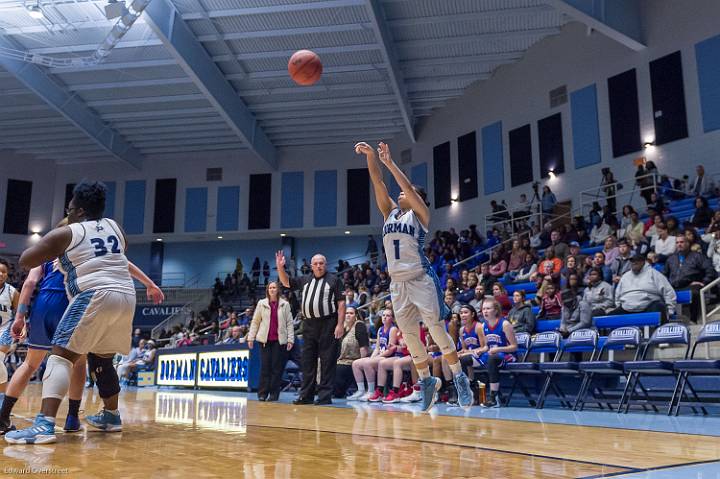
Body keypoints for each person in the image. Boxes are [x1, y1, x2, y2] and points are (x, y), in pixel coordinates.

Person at [6, 181, 139, 444]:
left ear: (77, 210)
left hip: (94, 294)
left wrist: (52, 241)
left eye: (70, 208)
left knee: (60, 356)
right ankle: (111, 415)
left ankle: (44, 425)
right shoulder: (116, 227)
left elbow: (25, 260)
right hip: (127, 296)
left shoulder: (67, 232)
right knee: (102, 358)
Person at [355, 141, 474, 411]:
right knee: (409, 336)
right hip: (397, 284)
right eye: (398, 194)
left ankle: (458, 378)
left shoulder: (420, 215)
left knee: (435, 329)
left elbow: (406, 187)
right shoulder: (389, 214)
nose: (399, 195)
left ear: (416, 199)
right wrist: (372, 157)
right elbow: (378, 183)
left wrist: (390, 163)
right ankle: (426, 381)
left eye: (404, 194)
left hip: (421, 278)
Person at [276, 251, 344, 405]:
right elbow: (286, 283)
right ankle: (306, 395)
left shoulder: (334, 280)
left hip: (328, 324)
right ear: (311, 266)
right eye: (316, 263)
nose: (319, 266)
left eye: (321, 263)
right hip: (309, 325)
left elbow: (341, 303)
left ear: (325, 265)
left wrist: (340, 324)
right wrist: (280, 267)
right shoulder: (305, 279)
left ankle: (324, 396)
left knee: (327, 361)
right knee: (307, 361)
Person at [247, 281, 295, 402]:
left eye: (274, 287)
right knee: (265, 367)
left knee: (276, 368)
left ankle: (274, 394)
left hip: (279, 341)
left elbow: (289, 323)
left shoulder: (285, 304)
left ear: (278, 289)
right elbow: (255, 321)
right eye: (270, 288)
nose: (272, 289)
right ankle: (262, 393)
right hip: (264, 340)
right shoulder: (261, 303)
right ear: (267, 290)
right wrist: (251, 337)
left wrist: (290, 339)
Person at [663, 236, 717, 323]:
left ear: (688, 244)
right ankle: (668, 321)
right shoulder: (671, 259)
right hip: (673, 287)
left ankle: (693, 319)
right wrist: (667, 285)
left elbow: (709, 269)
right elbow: (663, 274)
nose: (679, 244)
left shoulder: (697, 256)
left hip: (690, 285)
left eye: (682, 242)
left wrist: (704, 282)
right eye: (677, 242)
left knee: (695, 292)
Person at [477, 298, 518, 408]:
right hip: (492, 355)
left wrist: (498, 349)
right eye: (483, 309)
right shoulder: (483, 326)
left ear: (495, 310)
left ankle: (494, 397)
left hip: (508, 355)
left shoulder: (505, 324)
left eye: (488, 308)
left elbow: (514, 347)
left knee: (492, 359)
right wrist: (480, 350)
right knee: (466, 359)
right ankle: (473, 394)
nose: (485, 311)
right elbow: (487, 346)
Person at [349, 309, 397, 401]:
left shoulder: (393, 329)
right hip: (381, 356)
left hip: (389, 357)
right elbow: (377, 348)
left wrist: (375, 358)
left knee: (367, 363)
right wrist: (372, 357)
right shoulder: (380, 329)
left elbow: (391, 350)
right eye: (383, 315)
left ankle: (371, 391)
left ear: (392, 318)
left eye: (388, 315)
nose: (385, 317)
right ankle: (361, 390)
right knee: (355, 363)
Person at [612, 254, 676, 323]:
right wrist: (619, 305)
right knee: (610, 317)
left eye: (637, 260)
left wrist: (670, 310)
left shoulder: (654, 273)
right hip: (627, 308)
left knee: (659, 307)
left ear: (644, 262)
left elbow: (668, 291)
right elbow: (617, 295)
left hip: (648, 307)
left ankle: (659, 333)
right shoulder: (625, 276)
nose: (634, 262)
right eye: (632, 261)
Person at [334, 307, 370, 398]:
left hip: (354, 361)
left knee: (339, 369)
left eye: (351, 313)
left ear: (356, 315)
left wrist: (361, 363)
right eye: (346, 313)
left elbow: (364, 348)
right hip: (341, 360)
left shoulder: (359, 326)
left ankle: (338, 392)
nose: (348, 315)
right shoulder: (343, 327)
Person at [0, 261, 19, 396]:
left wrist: (17, 340)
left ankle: (2, 400)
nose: (1, 274)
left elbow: (20, 317)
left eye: (4, 272)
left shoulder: (12, 292)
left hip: (5, 331)